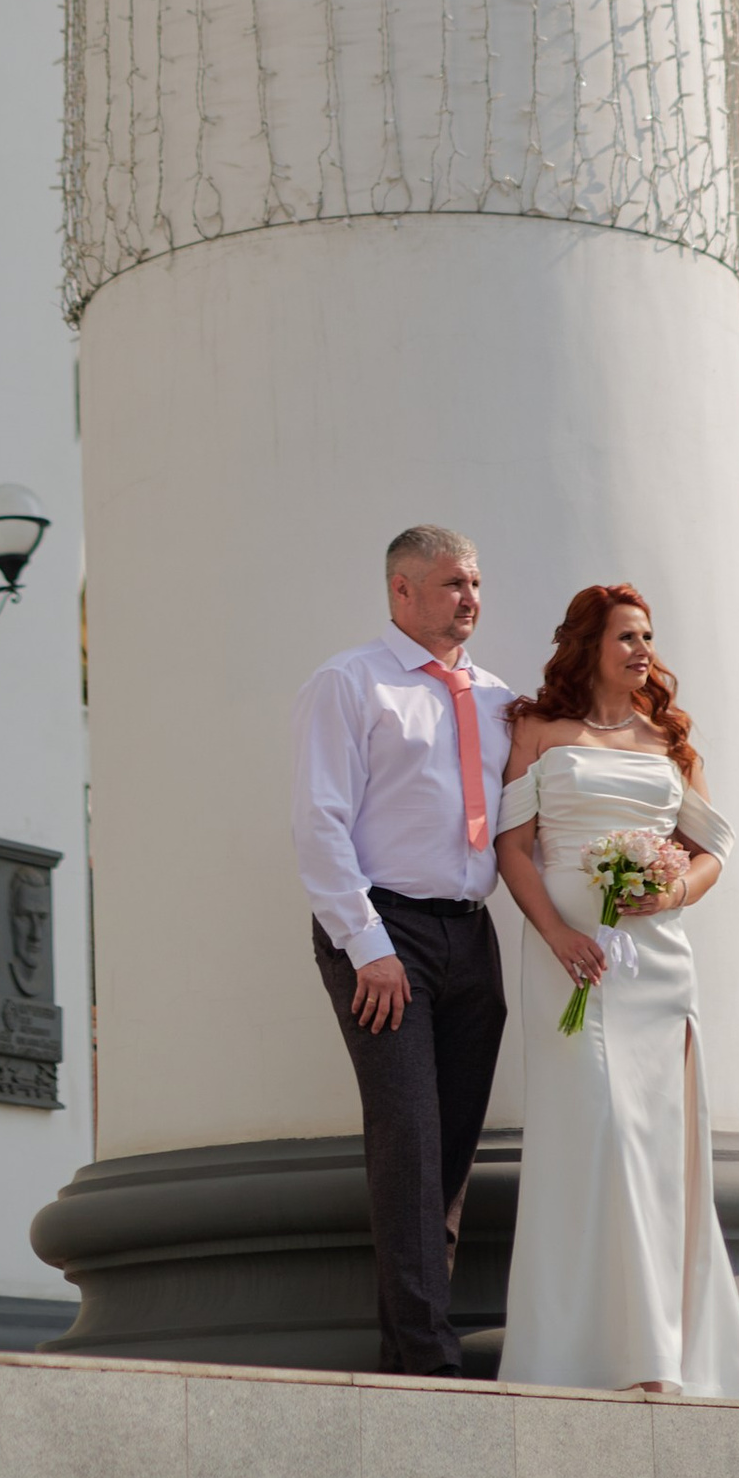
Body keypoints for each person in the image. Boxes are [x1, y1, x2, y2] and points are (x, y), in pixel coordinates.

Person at [494, 582, 739, 1400]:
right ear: (589, 645)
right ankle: (584, 1351)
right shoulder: (539, 731)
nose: (642, 650)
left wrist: (673, 893)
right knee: (595, 1137)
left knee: (653, 1148)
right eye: (626, 637)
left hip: (655, 970)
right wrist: (559, 936)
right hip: (569, 966)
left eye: (647, 636)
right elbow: (512, 848)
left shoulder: (668, 742)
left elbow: (714, 849)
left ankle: (665, 1356)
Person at [291, 524, 514, 1375]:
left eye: (476, 583)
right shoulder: (350, 684)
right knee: (409, 1137)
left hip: (470, 934)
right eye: (454, 583)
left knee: (450, 1149)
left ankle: (420, 1334)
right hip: (385, 935)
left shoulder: (496, 698)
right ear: (402, 591)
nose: (471, 599)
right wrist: (366, 945)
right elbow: (320, 821)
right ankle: (424, 1356)